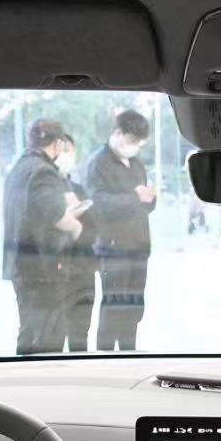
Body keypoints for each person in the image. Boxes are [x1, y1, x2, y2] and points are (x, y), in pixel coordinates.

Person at [1, 118, 92, 355]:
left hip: (21, 265)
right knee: (48, 336)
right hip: (42, 268)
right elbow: (54, 214)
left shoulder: (19, 167)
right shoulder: (43, 171)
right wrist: (76, 227)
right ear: (58, 143)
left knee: (29, 332)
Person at [80, 108, 157, 351]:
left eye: (139, 143)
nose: (135, 147)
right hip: (113, 249)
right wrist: (135, 198)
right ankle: (105, 357)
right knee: (113, 307)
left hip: (138, 247)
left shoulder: (136, 163)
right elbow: (97, 204)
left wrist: (150, 198)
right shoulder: (98, 163)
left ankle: (128, 352)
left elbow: (145, 203)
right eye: (132, 140)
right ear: (117, 134)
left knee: (134, 307)